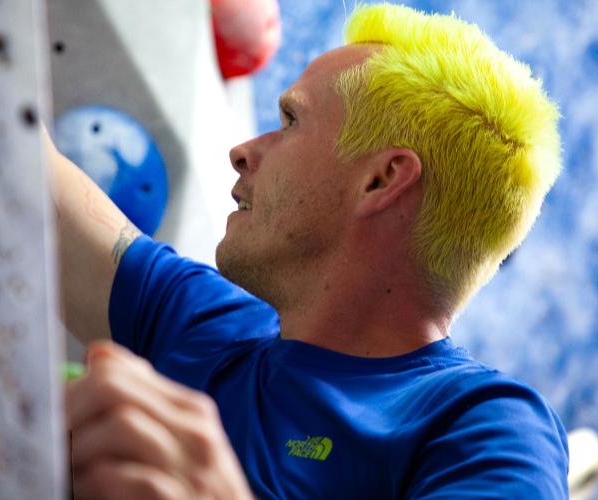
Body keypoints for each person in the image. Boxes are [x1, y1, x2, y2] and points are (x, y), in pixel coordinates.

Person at [54, 3, 567, 498]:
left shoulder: (486, 430)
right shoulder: (214, 328)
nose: (244, 151)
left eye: (290, 123)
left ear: (381, 180)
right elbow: (29, 180)